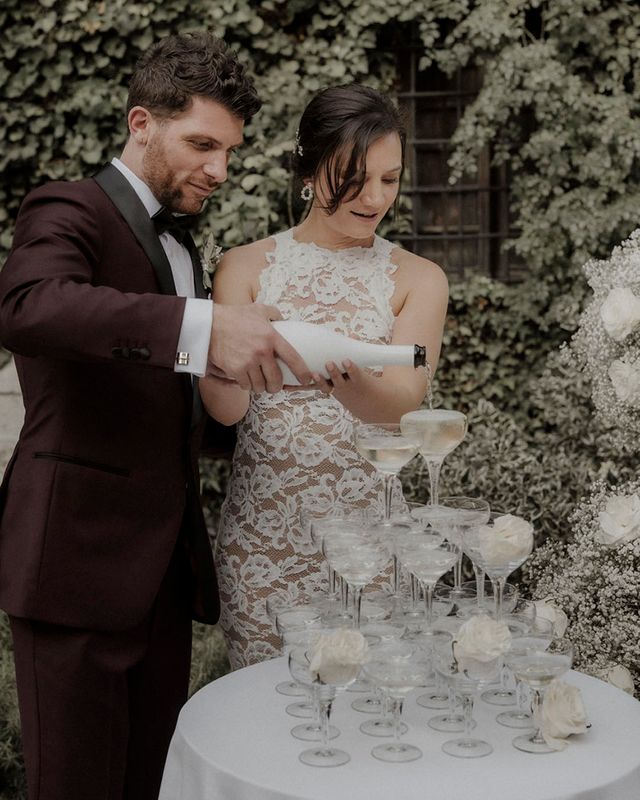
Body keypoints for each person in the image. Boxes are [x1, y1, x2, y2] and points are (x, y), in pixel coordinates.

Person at [0, 31, 311, 800]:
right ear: (142, 123)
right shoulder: (69, 205)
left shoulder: (186, 250)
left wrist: (266, 394)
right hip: (73, 566)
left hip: (162, 577)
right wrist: (202, 328)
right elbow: (28, 308)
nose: (219, 170)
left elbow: (161, 407)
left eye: (230, 151)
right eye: (202, 144)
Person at [200, 83, 449, 669]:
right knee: (269, 713)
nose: (374, 197)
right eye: (354, 178)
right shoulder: (242, 266)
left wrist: (339, 377)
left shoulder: (420, 278)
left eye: (389, 179)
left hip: (371, 543)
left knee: (373, 713)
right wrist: (236, 356)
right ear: (309, 170)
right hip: (265, 538)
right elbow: (224, 410)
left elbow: (403, 408)